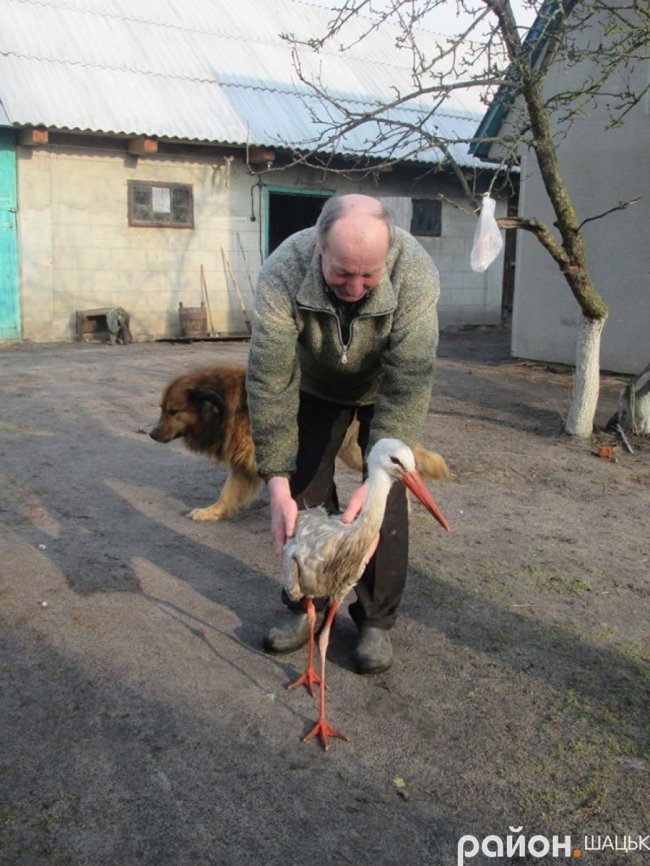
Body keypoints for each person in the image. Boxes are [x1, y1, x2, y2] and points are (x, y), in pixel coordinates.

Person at [246, 193, 440, 674]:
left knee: (384, 497)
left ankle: (375, 619)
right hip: (315, 382)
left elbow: (410, 377)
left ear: (388, 253)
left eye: (368, 275)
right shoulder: (283, 271)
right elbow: (270, 380)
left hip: (382, 386)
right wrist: (274, 480)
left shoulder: (415, 272)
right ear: (318, 250)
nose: (355, 287)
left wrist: (372, 484)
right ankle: (303, 608)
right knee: (302, 486)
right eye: (342, 273)